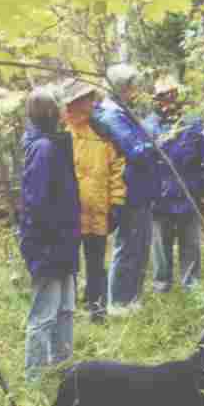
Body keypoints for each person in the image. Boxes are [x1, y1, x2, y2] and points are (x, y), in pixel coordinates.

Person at [20, 87, 81, 381]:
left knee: (66, 309)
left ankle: (62, 369)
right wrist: (45, 246)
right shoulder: (43, 148)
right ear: (50, 113)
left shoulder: (56, 144)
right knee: (44, 314)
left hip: (64, 242)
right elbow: (36, 204)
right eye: (59, 108)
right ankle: (35, 376)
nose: (64, 113)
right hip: (49, 245)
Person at [90, 63, 158, 315]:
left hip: (141, 188)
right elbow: (136, 151)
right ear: (119, 88)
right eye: (131, 87)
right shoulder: (111, 115)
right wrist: (153, 132)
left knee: (140, 246)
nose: (134, 91)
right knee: (128, 246)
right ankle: (118, 302)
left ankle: (132, 299)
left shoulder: (122, 112)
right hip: (129, 189)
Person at [143, 77, 204, 293]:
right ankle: (161, 285)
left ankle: (192, 286)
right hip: (159, 195)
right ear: (156, 98)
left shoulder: (194, 123)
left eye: (172, 93)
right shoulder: (148, 126)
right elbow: (143, 161)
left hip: (190, 192)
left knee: (191, 243)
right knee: (160, 244)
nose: (168, 99)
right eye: (162, 95)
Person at [61, 78, 125, 323]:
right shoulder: (61, 134)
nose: (91, 102)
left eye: (90, 97)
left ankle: (97, 310)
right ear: (74, 102)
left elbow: (117, 167)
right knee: (68, 265)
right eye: (85, 98)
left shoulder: (102, 131)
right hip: (70, 214)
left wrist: (116, 203)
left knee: (97, 263)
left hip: (98, 210)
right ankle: (68, 312)